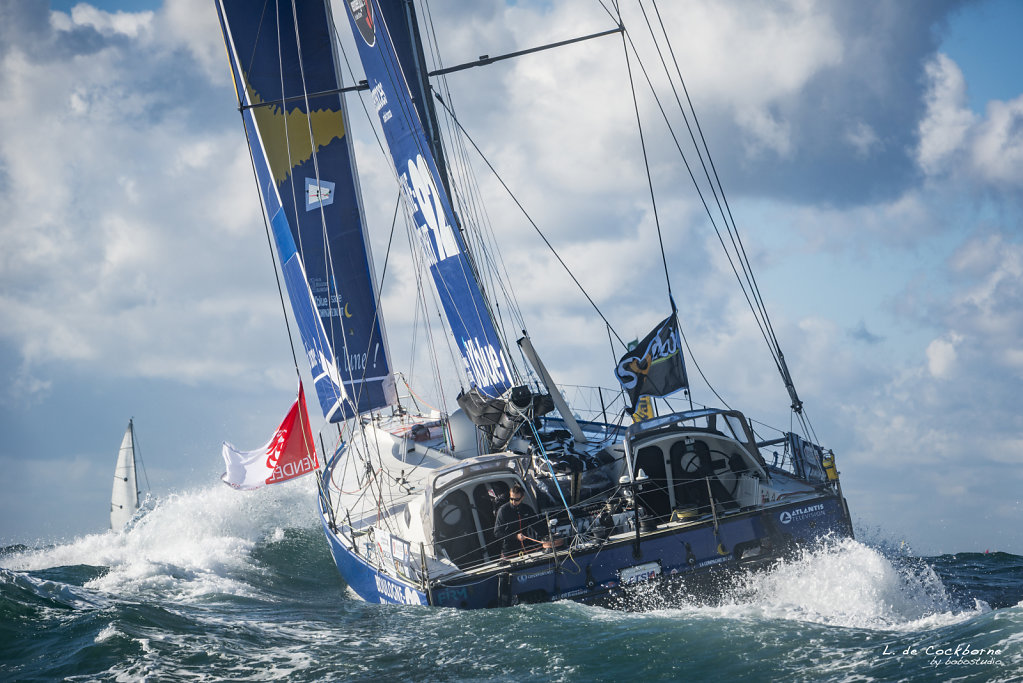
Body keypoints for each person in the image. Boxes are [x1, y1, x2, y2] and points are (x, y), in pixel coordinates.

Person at [493, 484, 540, 558]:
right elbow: (497, 532)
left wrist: (547, 537)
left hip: (526, 545)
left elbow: (537, 525)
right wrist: (515, 536)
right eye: (511, 499)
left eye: (516, 499)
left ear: (522, 498)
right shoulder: (503, 510)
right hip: (509, 549)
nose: (513, 502)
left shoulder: (527, 509)